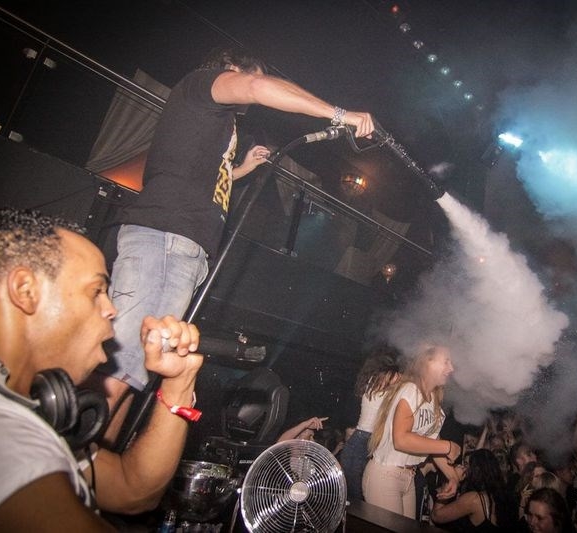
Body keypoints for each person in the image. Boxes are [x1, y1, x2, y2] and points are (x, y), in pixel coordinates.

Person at [94, 46, 375, 441]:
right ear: (230, 68)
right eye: (247, 75)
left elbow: (207, 178)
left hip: (181, 245)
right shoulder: (202, 84)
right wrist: (340, 114)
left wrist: (242, 169)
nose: (248, 93)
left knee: (137, 367)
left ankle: (98, 458)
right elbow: (258, 87)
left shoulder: (212, 121)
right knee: (124, 359)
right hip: (164, 237)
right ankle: (73, 459)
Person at [0, 208, 203, 531]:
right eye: (97, 291)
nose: (111, 309)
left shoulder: (19, 414)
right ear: (25, 291)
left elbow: (132, 490)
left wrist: (178, 381)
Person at [362, 343, 461, 519]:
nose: (451, 368)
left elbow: (431, 442)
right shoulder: (410, 390)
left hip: (409, 478)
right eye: (446, 361)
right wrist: (447, 446)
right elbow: (401, 439)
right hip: (386, 474)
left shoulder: (433, 398)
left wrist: (452, 477)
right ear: (428, 362)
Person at [339, 344, 402, 502]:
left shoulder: (371, 383)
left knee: (358, 499)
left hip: (362, 441)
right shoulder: (380, 383)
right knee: (358, 500)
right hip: (362, 442)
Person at [431, 448, 514, 531]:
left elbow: (436, 516)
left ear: (475, 470)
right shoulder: (501, 495)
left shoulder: (474, 499)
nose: (466, 469)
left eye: (468, 465)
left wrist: (451, 480)